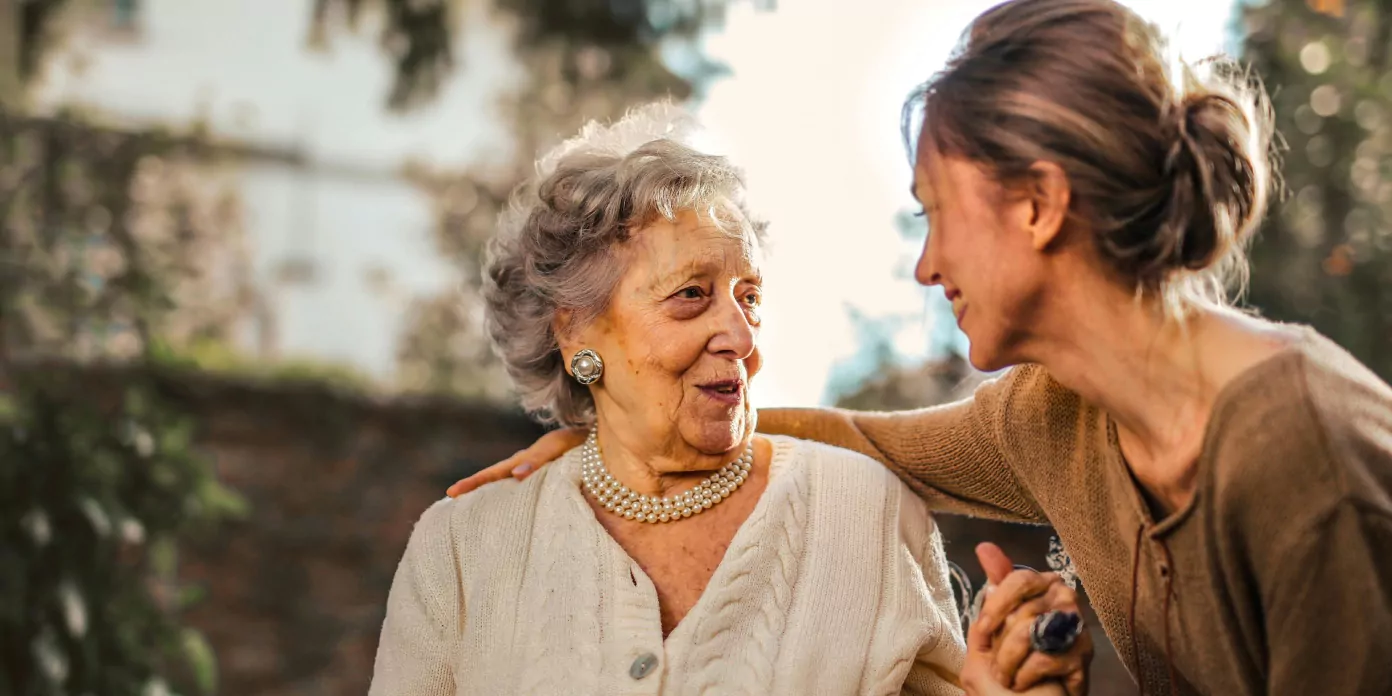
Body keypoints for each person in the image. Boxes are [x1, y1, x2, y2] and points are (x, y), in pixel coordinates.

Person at [444, 1, 1392, 694]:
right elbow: (862, 440)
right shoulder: (1056, 415)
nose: (927, 266)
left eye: (937, 215)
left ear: (1038, 204)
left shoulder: (1301, 454)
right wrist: (623, 433)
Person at [370, 104, 1071, 695]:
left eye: (751, 297)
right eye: (691, 296)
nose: (739, 335)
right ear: (577, 329)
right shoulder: (464, 548)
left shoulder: (866, 512)